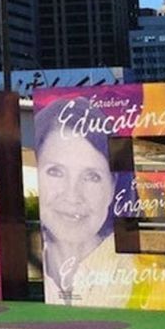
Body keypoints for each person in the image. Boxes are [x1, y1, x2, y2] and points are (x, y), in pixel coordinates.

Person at [34, 95, 127, 306]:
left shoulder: (142, 270)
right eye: (55, 172)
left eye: (92, 176)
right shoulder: (18, 260)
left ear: (112, 186)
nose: (72, 195)